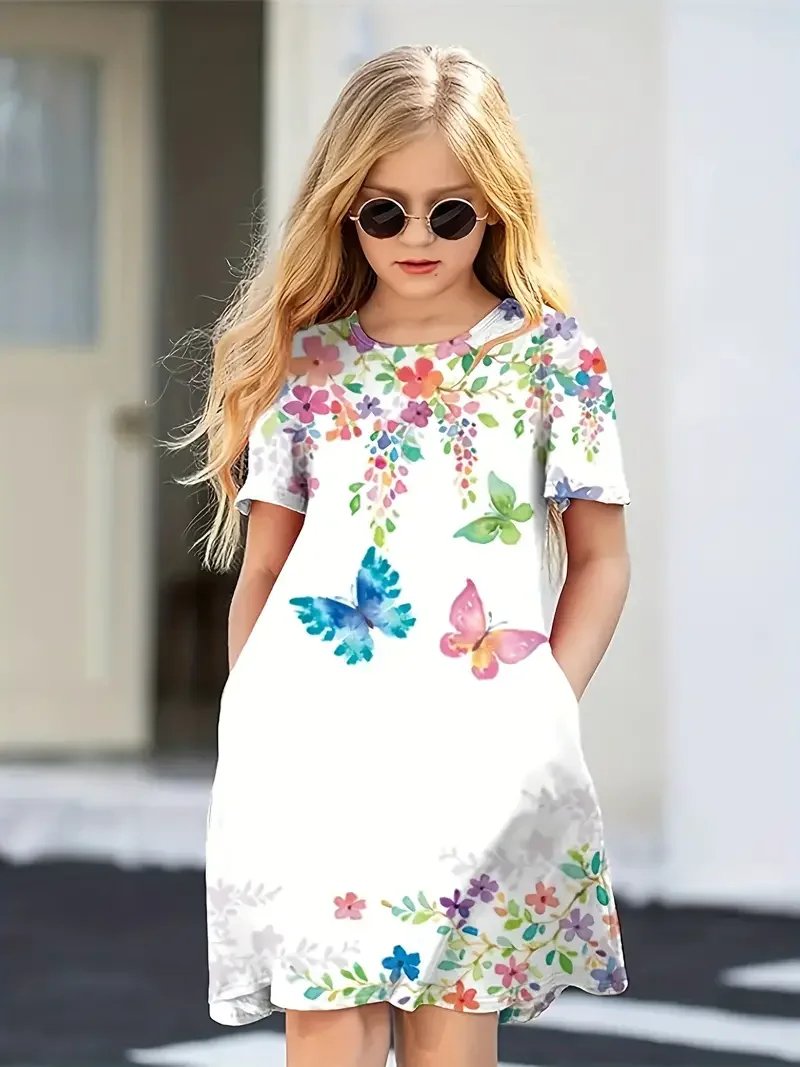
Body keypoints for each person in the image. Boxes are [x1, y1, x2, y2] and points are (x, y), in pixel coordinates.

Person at [174, 42, 632, 1067]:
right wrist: (254, 721)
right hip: (312, 743)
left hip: (482, 754)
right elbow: (265, 570)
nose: (416, 236)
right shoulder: (306, 360)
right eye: (384, 211)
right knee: (327, 1031)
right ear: (345, 210)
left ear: (495, 208)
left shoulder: (554, 359)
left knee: (450, 1040)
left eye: (448, 212)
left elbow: (601, 559)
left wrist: (540, 707)